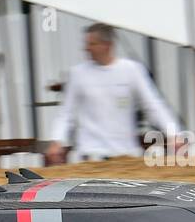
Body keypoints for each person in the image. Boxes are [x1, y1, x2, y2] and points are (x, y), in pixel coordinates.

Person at [46, 23, 182, 163]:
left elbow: (153, 105)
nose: (86, 48)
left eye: (92, 44)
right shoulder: (77, 74)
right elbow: (66, 113)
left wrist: (173, 133)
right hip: (90, 159)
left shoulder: (132, 70)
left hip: (126, 157)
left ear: (107, 45)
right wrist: (57, 141)